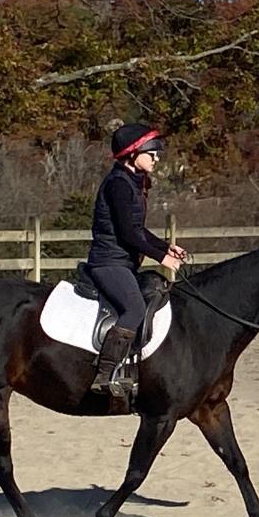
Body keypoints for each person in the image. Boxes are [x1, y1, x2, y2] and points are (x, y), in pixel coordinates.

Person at [86, 122, 187, 399]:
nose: (156, 157)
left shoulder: (132, 182)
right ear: (132, 153)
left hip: (123, 262)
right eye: (151, 152)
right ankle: (104, 375)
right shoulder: (118, 184)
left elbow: (138, 230)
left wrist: (167, 247)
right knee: (134, 309)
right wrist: (161, 257)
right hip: (108, 262)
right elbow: (128, 234)